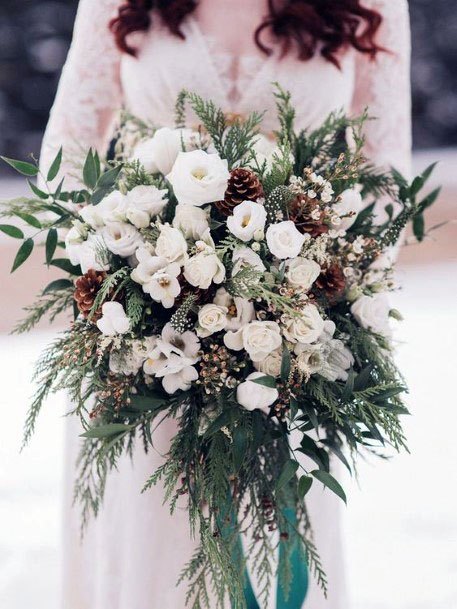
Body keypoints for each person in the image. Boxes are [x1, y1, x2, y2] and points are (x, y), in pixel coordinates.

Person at [40, 1, 411, 607]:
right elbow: (70, 152)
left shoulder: (375, 5)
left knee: (278, 547)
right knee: (149, 547)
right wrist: (121, 256)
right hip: (143, 341)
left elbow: (386, 175)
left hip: (291, 348)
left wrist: (325, 282)